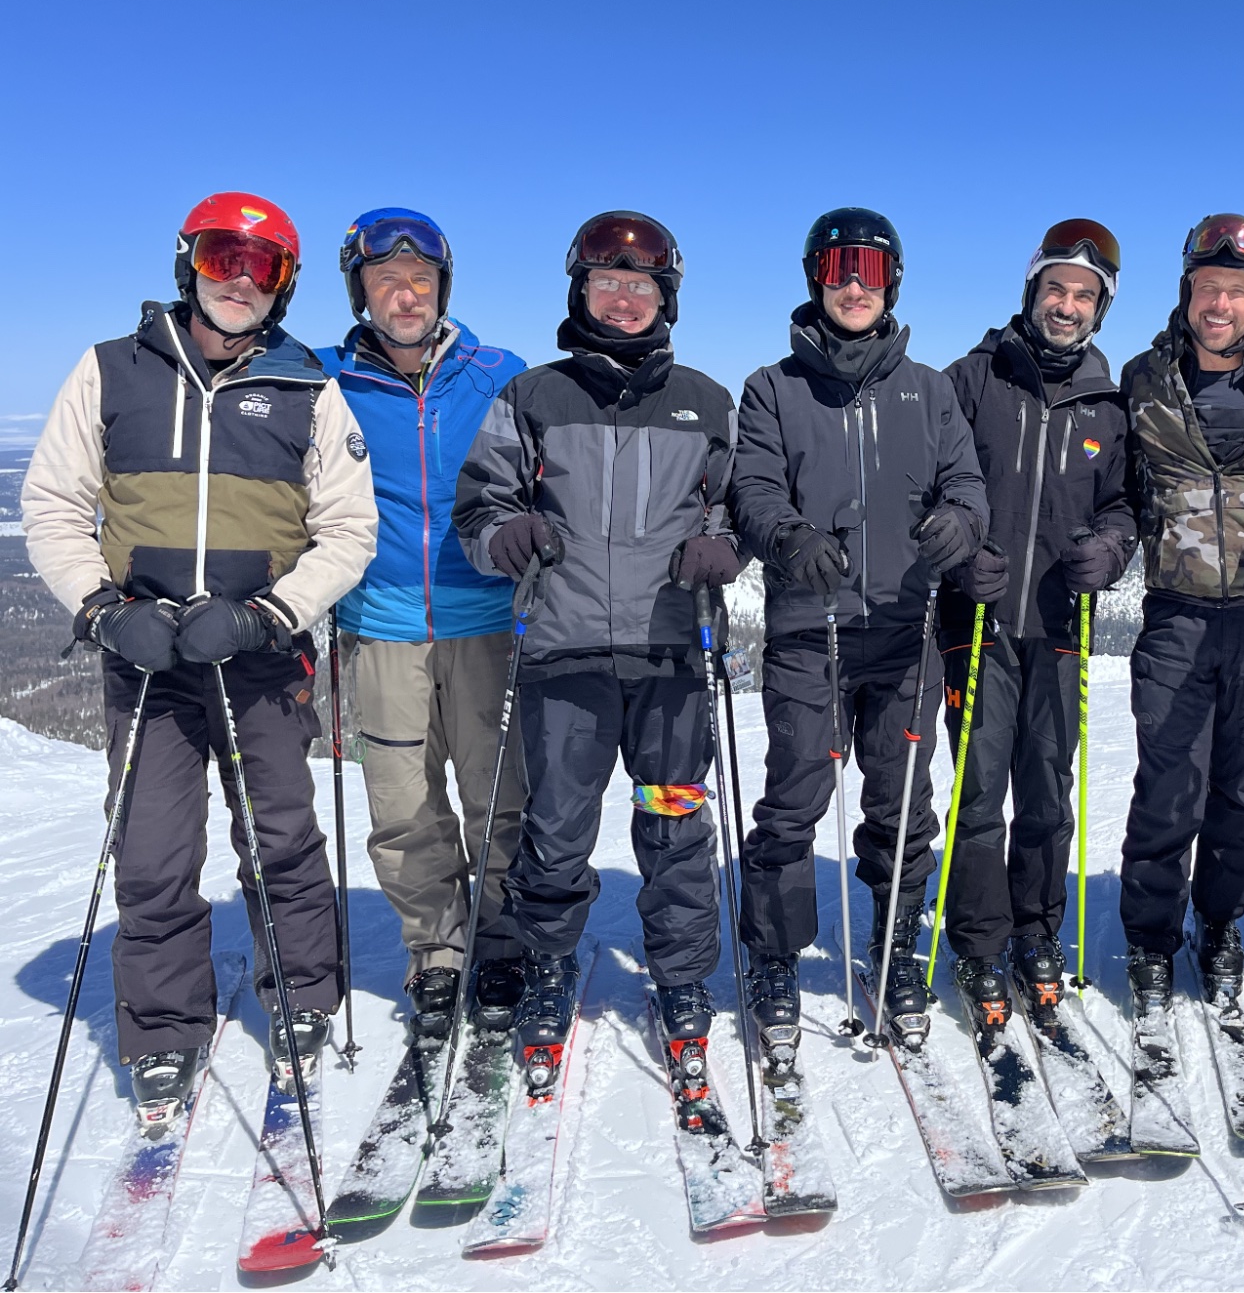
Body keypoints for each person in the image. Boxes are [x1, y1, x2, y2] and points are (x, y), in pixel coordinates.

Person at [22, 193, 377, 1120]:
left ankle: (302, 994)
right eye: (224, 258)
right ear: (189, 263)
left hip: (257, 653)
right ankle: (166, 1023)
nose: (240, 280)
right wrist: (104, 612)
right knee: (149, 850)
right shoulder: (111, 371)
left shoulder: (308, 388)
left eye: (262, 266)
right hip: (145, 653)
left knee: (280, 834)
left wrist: (268, 614)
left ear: (284, 284)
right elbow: (53, 506)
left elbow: (347, 531)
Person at [454, 211, 742, 1075]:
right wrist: (503, 536)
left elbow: (736, 506)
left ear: (667, 298)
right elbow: (482, 505)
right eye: (606, 284)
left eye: (640, 286)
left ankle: (682, 976)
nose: (623, 300)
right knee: (557, 828)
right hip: (562, 651)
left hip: (669, 653)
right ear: (580, 290)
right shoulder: (533, 396)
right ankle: (548, 965)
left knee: (674, 824)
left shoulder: (705, 398)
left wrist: (725, 545)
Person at [731, 207, 987, 1051]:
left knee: (904, 803)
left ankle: (892, 947)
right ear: (815, 276)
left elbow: (966, 485)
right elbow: (756, 489)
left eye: (869, 271)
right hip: (813, 630)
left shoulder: (927, 388)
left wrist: (959, 521)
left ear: (892, 284)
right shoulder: (774, 387)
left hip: (904, 627)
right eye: (839, 267)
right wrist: (787, 537)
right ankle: (773, 954)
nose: (852, 284)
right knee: (796, 798)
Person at [316, 209, 529, 1047]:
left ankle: (502, 937)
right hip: (381, 627)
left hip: (487, 623)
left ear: (442, 287)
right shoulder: (325, 382)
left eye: (419, 281)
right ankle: (437, 949)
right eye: (383, 282)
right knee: (402, 805)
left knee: (495, 796)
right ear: (360, 292)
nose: (403, 296)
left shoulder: (500, 374)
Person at [938, 219, 1136, 1030]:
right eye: (1055, 288)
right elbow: (931, 492)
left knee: (1047, 796)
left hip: (1060, 623)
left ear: (1100, 309)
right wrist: (957, 556)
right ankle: (979, 944)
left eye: (1083, 294)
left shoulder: (1108, 404)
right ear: (1031, 292)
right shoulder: (970, 380)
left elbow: (1125, 504)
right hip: (976, 623)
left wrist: (1112, 549)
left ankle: (1035, 934)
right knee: (981, 793)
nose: (1066, 304)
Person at [1119, 213, 1244, 1013]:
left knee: (1241, 789)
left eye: (1237, 291)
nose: (1220, 304)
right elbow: (1113, 489)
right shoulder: (1141, 379)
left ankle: (1220, 921)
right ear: (1186, 294)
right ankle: (1150, 938)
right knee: (1169, 784)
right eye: (1208, 288)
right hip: (1174, 614)